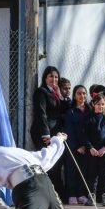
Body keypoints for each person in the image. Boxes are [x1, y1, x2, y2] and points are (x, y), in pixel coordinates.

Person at [30, 66, 64, 196]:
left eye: (56, 77)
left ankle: (55, 192)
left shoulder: (56, 93)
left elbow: (63, 110)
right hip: (44, 132)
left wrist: (60, 96)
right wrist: (46, 133)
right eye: (51, 76)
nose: (54, 79)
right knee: (47, 162)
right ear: (45, 78)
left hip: (56, 131)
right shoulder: (41, 92)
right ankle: (46, 193)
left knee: (56, 161)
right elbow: (41, 113)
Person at [84, 94, 105, 206]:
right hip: (92, 151)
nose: (100, 106)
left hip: (104, 151)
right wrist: (90, 148)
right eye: (98, 104)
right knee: (92, 174)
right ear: (93, 104)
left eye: (102, 104)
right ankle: (91, 195)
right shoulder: (88, 118)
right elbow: (85, 135)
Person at [64, 85, 91, 205]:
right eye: (79, 93)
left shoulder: (90, 110)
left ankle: (81, 194)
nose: (82, 96)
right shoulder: (71, 112)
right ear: (74, 95)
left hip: (87, 148)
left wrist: (87, 146)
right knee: (72, 171)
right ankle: (72, 194)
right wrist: (76, 147)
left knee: (85, 171)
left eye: (84, 93)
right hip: (73, 147)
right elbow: (69, 131)